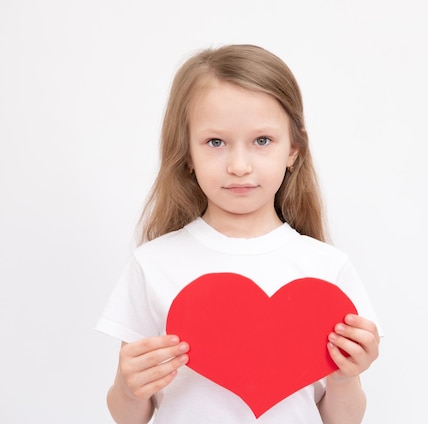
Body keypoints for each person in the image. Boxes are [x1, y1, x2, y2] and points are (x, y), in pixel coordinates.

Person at [96, 44, 381, 424]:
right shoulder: (153, 264)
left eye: (262, 141)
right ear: (187, 153)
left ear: (293, 149)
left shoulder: (326, 269)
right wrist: (129, 388)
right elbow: (129, 416)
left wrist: (346, 380)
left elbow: (342, 420)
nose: (239, 166)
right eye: (215, 142)